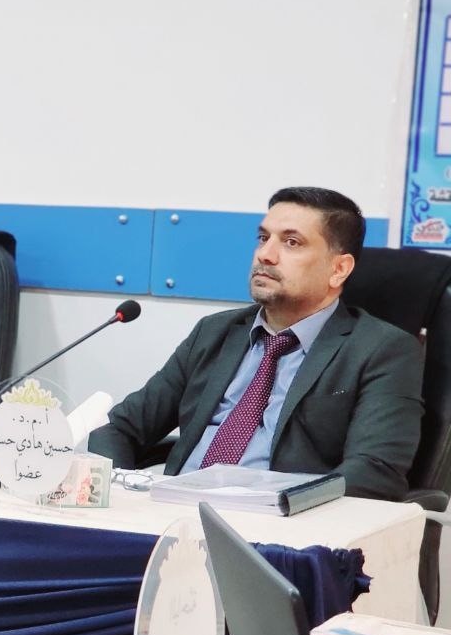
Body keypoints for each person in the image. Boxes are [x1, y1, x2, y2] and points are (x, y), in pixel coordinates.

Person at [87, 186, 423, 501]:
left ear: (339, 269)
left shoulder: (381, 350)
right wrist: (118, 496)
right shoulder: (215, 332)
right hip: (172, 514)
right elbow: (119, 429)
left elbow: (375, 471)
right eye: (263, 238)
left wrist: (283, 507)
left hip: (281, 524)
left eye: (291, 242)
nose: (265, 254)